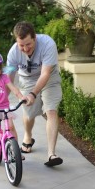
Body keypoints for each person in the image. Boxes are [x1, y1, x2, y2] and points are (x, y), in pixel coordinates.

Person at [7, 21, 63, 166]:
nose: (25, 49)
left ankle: (51, 154)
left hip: (49, 77)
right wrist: (0, 101)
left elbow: (45, 73)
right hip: (27, 79)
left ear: (34, 38)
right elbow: (8, 81)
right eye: (21, 45)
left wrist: (33, 93)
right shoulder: (13, 53)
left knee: (51, 110)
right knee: (29, 113)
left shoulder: (47, 44)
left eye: (28, 44)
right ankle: (28, 135)